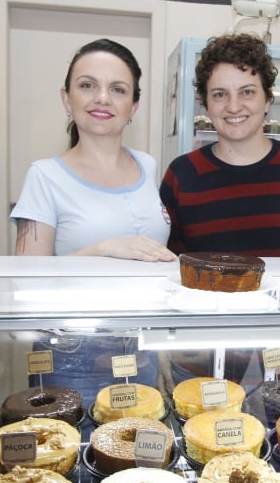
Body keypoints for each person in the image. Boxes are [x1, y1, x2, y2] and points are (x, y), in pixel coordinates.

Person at [158, 33, 280, 398]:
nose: (234, 106)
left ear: (268, 100)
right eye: (220, 94)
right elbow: (168, 272)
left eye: (247, 91)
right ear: (205, 102)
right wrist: (162, 345)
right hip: (199, 362)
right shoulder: (181, 175)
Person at [10, 38, 175, 420]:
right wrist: (101, 249)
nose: (102, 98)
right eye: (87, 85)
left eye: (117, 89)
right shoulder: (44, 176)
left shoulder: (147, 165)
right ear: (66, 98)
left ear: (133, 106)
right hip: (74, 353)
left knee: (137, 459)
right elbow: (25, 283)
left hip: (141, 343)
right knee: (77, 459)